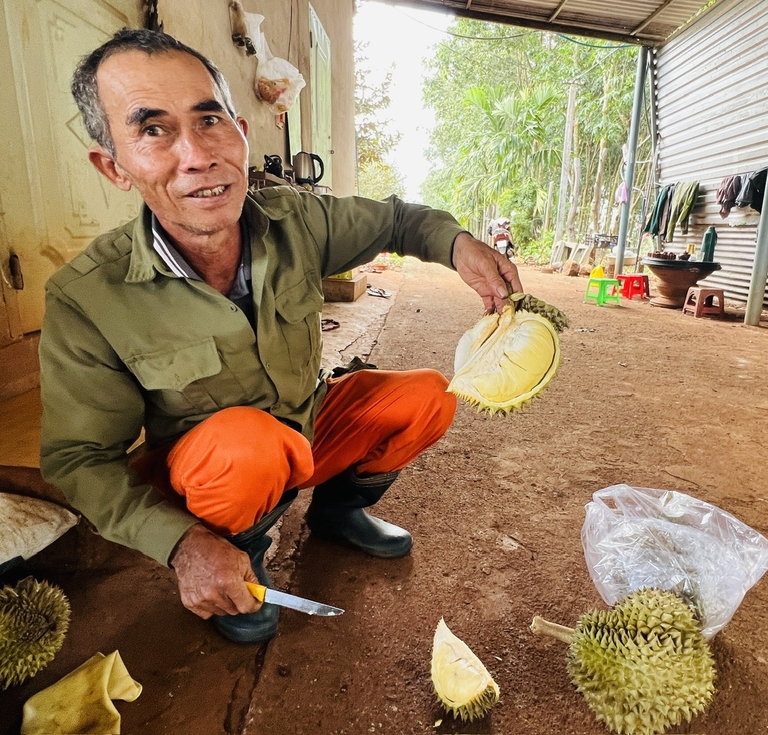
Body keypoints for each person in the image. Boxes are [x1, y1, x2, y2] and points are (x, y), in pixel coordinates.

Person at [38, 29, 523, 643]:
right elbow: (79, 460)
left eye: (209, 119)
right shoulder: (89, 296)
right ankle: (238, 556)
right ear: (114, 166)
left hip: (307, 427)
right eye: (153, 130)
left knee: (431, 394)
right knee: (247, 445)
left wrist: (458, 245)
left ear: (240, 131)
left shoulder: (298, 222)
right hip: (216, 475)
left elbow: (399, 219)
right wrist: (182, 544)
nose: (196, 155)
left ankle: (340, 513)